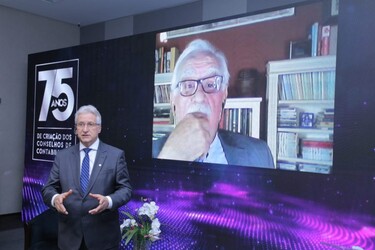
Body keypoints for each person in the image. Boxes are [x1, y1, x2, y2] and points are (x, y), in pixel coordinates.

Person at [153, 39, 274, 168]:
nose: (199, 97)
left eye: (210, 84)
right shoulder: (143, 155)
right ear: (173, 101)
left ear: (224, 95)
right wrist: (171, 157)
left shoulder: (259, 154)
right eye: (188, 85)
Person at [42, 105, 132, 250]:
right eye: (80, 124)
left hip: (103, 238)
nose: (85, 129)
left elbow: (125, 189)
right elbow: (48, 188)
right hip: (69, 237)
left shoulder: (115, 156)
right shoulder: (62, 156)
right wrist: (54, 199)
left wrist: (108, 201)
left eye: (90, 124)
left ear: (99, 128)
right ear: (75, 129)